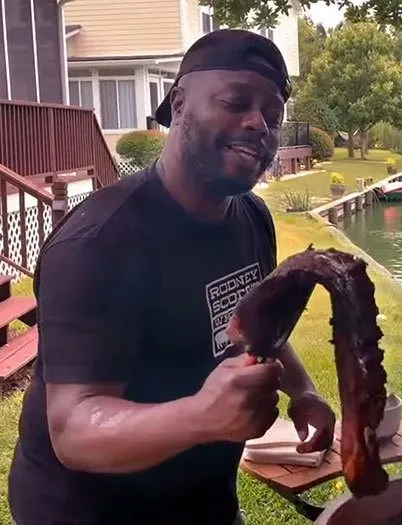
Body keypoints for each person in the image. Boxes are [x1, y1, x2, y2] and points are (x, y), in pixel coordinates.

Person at [8, 29, 335, 525]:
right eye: (236, 101)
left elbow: (254, 330)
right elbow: (73, 429)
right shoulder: (99, 243)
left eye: (273, 114)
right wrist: (202, 417)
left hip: (203, 501)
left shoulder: (252, 220)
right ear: (179, 103)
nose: (258, 123)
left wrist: (304, 392)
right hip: (88, 511)